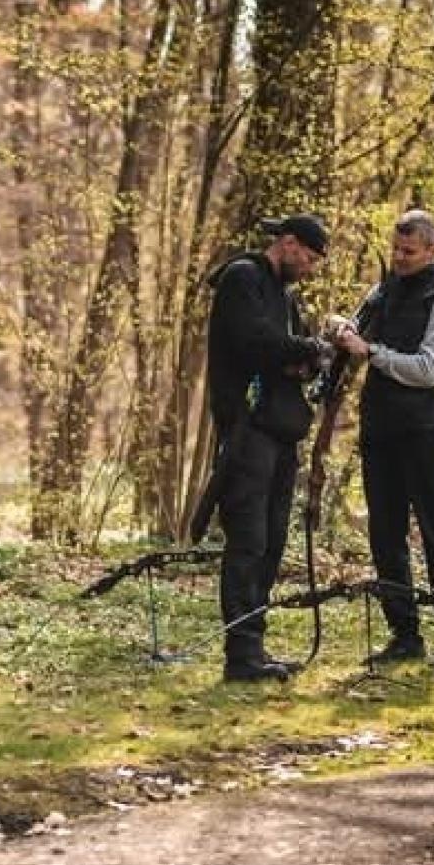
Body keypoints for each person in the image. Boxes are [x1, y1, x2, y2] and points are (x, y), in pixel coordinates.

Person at [333, 208, 434, 663]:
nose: (399, 257)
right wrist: (341, 330)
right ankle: (404, 635)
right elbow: (356, 341)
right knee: (385, 534)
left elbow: (431, 369)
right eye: (395, 249)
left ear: (432, 250)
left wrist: (371, 351)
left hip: (424, 430)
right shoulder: (382, 291)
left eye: (409, 251)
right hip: (380, 430)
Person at [192, 214, 330, 682]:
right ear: (287, 243)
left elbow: (299, 359)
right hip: (246, 432)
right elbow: (255, 343)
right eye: (307, 258)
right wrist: (302, 349)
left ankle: (254, 645)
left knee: (271, 541)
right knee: (248, 541)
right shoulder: (242, 278)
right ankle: (241, 654)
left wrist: (307, 357)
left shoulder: (286, 297)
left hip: (281, 431)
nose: (309, 268)